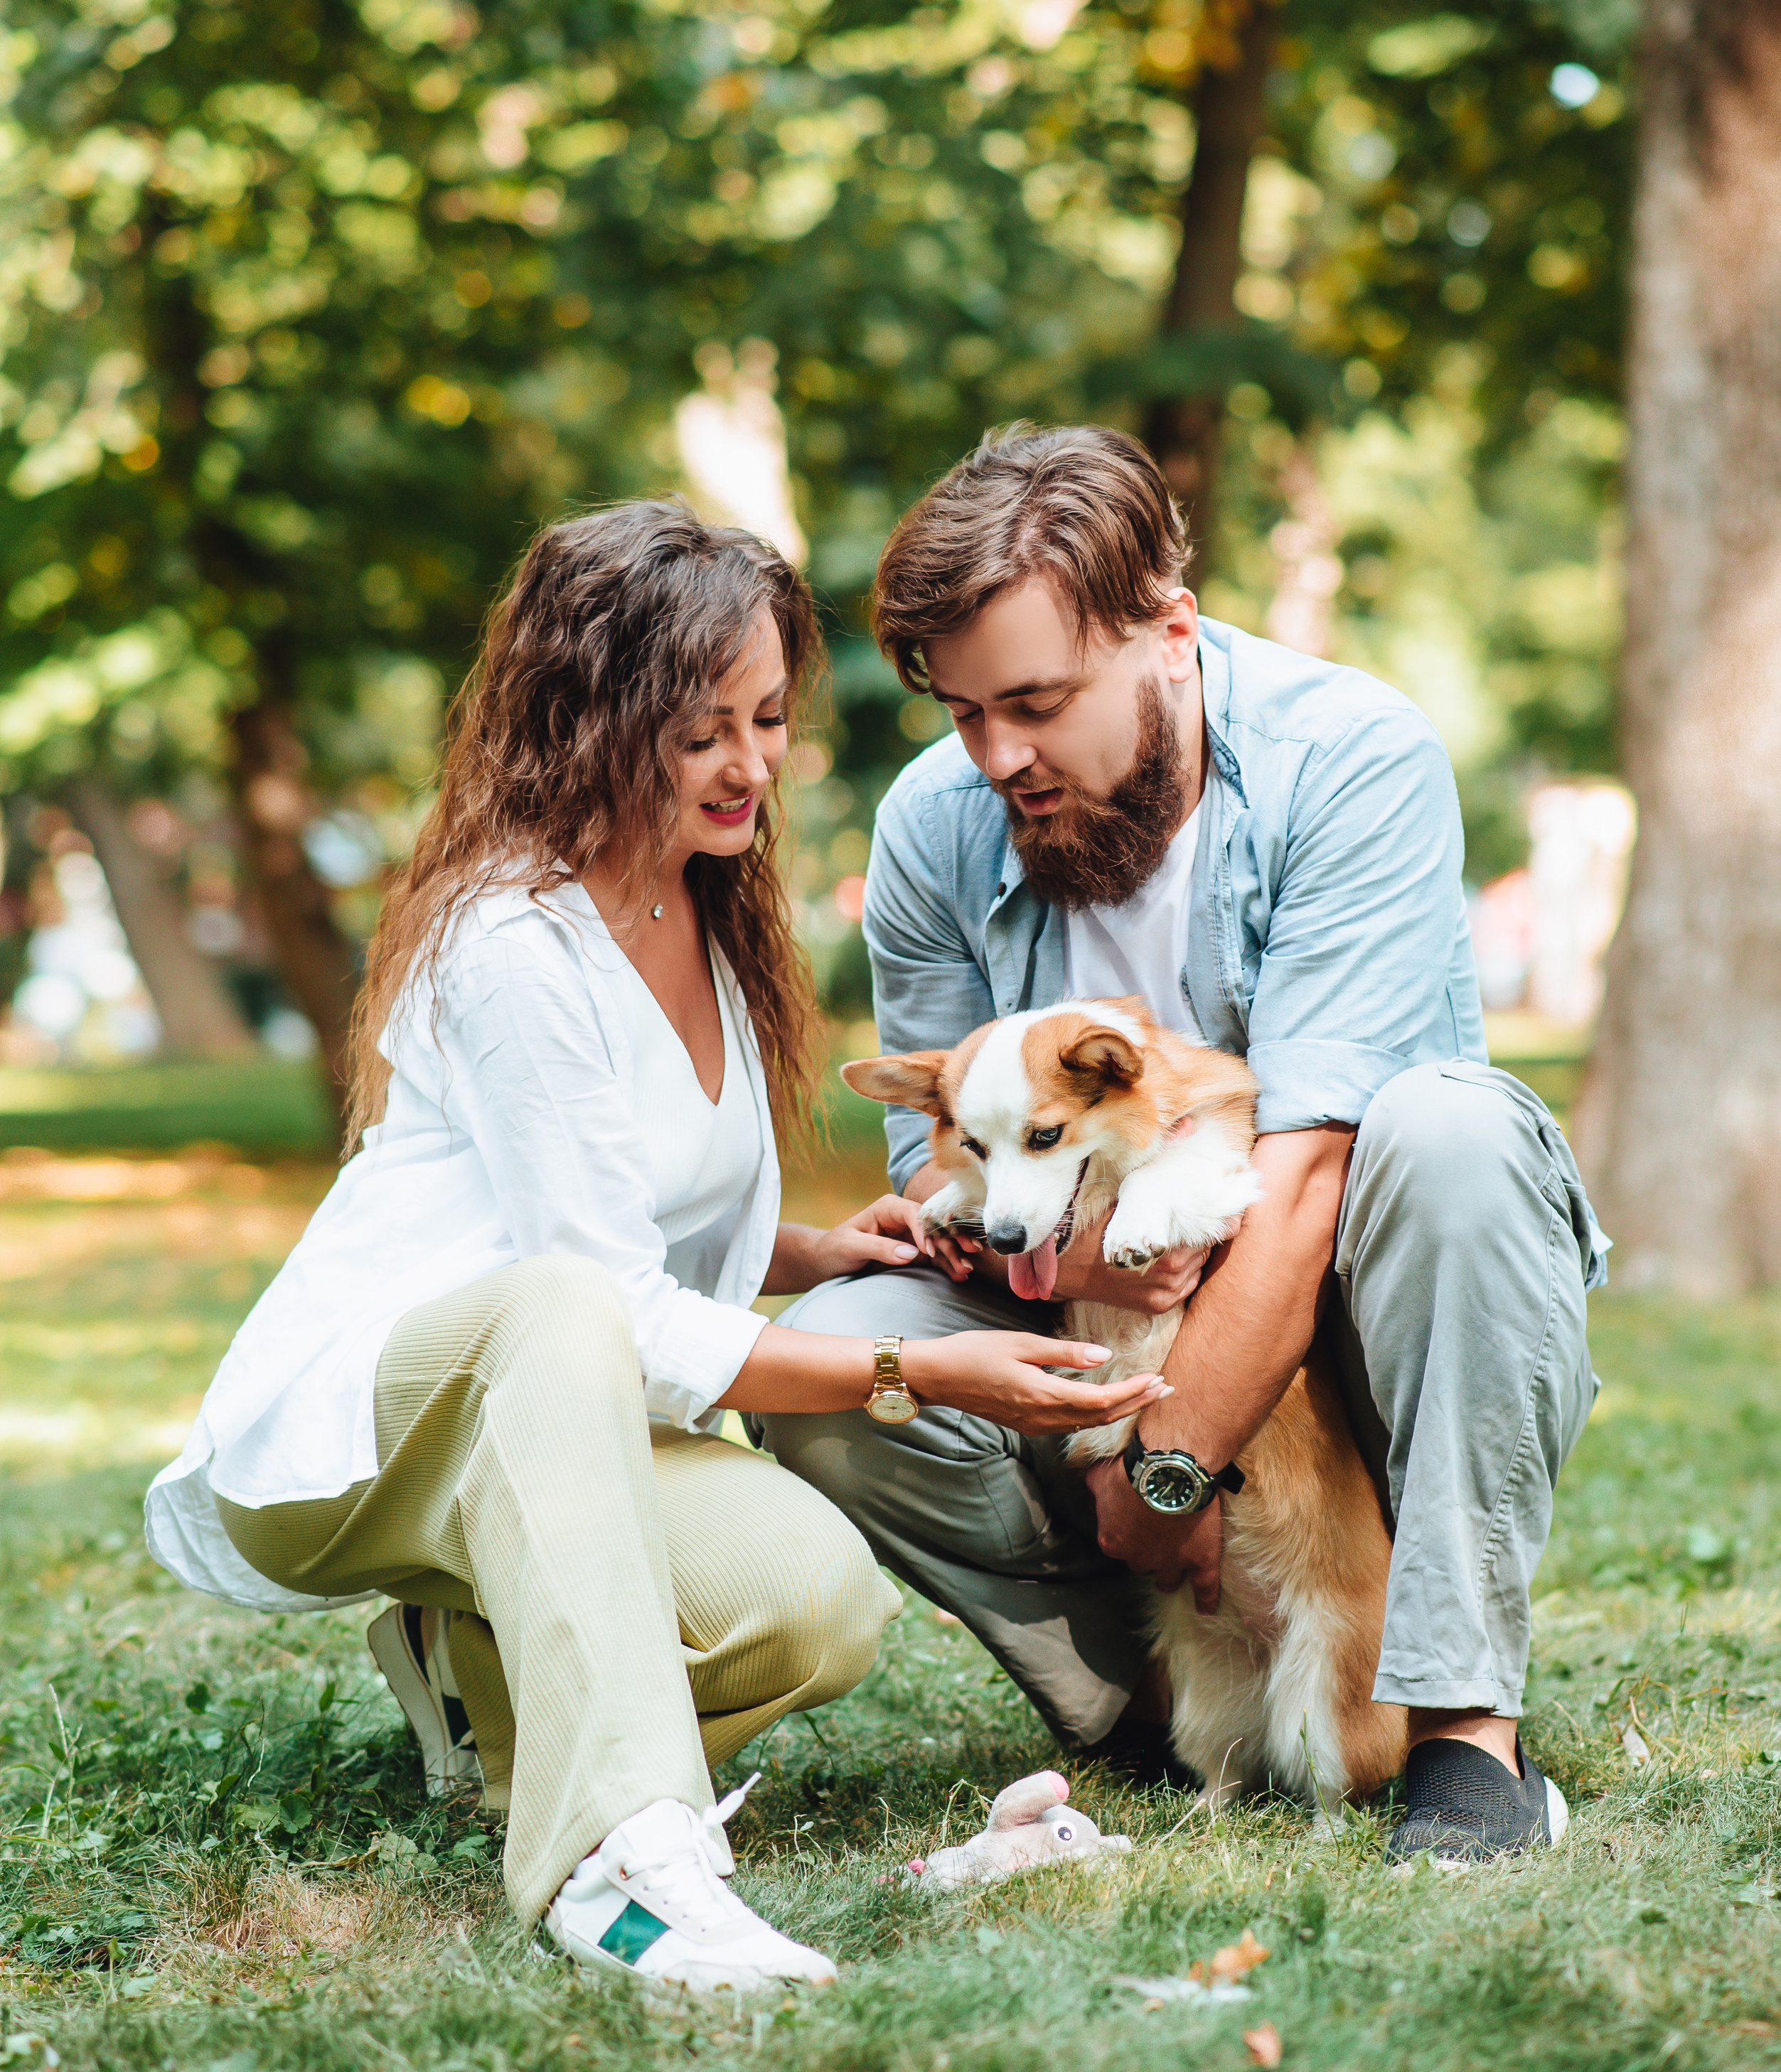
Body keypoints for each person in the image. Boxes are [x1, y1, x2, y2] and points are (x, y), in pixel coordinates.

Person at [144, 500, 1167, 1992]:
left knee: (814, 1600)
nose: (749, 762)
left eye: (766, 719)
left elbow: (639, 1215)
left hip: (554, 1393)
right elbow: (598, 1291)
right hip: (364, 1421)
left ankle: (483, 1684)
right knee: (566, 1308)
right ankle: (617, 1853)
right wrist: (920, 1369)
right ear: (592, 718)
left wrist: (815, 1249)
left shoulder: (706, 906)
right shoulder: (508, 939)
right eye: (703, 729)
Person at [752, 428, 1605, 1865]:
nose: (996, 757)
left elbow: (1311, 1170)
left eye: (1032, 702)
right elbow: (939, 1173)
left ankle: (1459, 1729)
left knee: (1452, 1135)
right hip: (1090, 1322)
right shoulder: (932, 825)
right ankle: (1144, 1693)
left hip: (1346, 1310)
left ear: (1164, 630)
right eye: (961, 713)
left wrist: (1165, 1471)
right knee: (842, 1355)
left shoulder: (1350, 757)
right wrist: (1088, 1339)